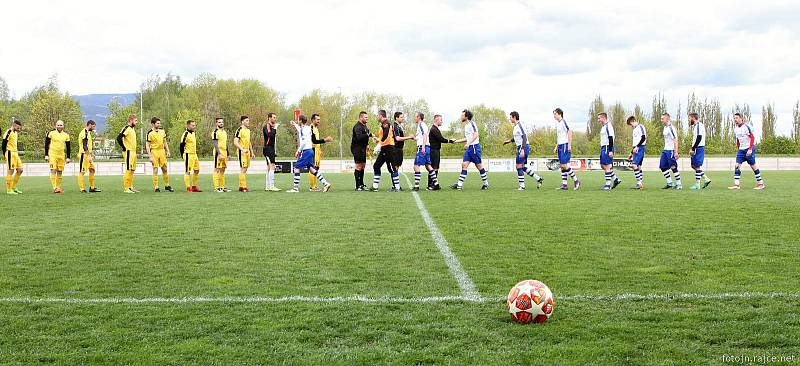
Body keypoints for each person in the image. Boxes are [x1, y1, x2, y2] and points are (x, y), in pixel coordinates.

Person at [287, 115, 331, 193]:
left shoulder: (304, 129)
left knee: (296, 168)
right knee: (312, 169)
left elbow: (304, 141)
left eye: (298, 120)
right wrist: (294, 124)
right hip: (310, 150)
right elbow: (299, 130)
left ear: (300, 121)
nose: (297, 121)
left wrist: (298, 150)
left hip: (306, 151)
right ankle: (325, 183)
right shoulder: (306, 128)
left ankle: (295, 188)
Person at [503, 111, 543, 190]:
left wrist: (522, 149)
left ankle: (522, 186)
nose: (509, 119)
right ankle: (538, 178)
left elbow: (524, 137)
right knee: (522, 166)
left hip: (523, 147)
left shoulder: (519, 125)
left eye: (510, 117)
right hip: (521, 147)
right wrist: (509, 141)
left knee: (518, 166)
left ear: (514, 117)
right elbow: (517, 138)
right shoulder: (516, 126)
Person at [451, 109, 489, 190]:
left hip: (474, 147)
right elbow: (467, 138)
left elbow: (475, 135)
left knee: (479, 166)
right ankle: (459, 185)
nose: (461, 117)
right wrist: (456, 141)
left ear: (466, 116)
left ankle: (486, 184)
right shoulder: (466, 126)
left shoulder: (472, 124)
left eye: (462, 115)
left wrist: (468, 144)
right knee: (464, 165)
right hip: (469, 149)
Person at [729, 113, 765, 190]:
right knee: (737, 166)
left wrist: (750, 149)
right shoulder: (736, 129)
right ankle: (736, 184)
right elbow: (738, 140)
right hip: (741, 150)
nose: (735, 119)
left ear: (741, 118)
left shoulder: (746, 127)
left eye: (737, 118)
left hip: (749, 148)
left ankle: (761, 183)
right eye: (734, 118)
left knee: (753, 166)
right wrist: (738, 149)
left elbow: (752, 137)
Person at [371, 110, 400, 191]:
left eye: (377, 115)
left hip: (389, 148)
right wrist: (378, 140)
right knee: (376, 166)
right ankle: (375, 187)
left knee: (392, 168)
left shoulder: (385, 123)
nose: (377, 117)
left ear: (381, 116)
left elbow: (386, 134)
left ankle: (397, 187)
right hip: (384, 148)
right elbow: (384, 137)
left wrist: (379, 143)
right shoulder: (384, 123)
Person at [552, 108, 580, 190]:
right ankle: (564, 185)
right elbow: (560, 136)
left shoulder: (564, 122)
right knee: (562, 166)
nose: (554, 116)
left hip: (565, 145)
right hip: (560, 145)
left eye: (554, 114)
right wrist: (556, 146)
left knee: (564, 165)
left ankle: (576, 180)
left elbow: (569, 132)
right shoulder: (558, 124)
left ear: (559, 114)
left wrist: (569, 145)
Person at [411, 112, 439, 191]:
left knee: (416, 166)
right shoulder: (422, 125)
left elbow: (425, 135)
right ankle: (436, 184)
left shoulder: (421, 124)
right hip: (427, 147)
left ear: (419, 117)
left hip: (422, 147)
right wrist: (413, 138)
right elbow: (420, 136)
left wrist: (423, 147)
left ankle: (416, 186)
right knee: (428, 166)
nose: (414, 118)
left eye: (415, 116)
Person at [350, 111, 377, 191]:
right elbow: (359, 137)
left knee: (363, 165)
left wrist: (367, 144)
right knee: (358, 166)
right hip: (356, 148)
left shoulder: (365, 126)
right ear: (361, 117)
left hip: (363, 148)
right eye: (365, 117)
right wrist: (369, 135)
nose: (367, 118)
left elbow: (366, 137)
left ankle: (361, 184)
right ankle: (358, 186)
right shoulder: (357, 126)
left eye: (367, 117)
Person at [146, 117, 173, 192]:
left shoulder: (162, 131)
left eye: (159, 123)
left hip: (162, 151)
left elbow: (165, 142)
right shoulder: (149, 133)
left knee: (164, 168)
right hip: (154, 152)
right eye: (157, 123)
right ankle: (156, 187)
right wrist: (150, 156)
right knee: (155, 169)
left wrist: (168, 151)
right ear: (153, 124)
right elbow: (147, 145)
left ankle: (167, 185)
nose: (159, 124)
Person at [427, 114, 454, 190]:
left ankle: (431, 185)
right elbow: (441, 139)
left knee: (435, 167)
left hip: (436, 150)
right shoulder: (433, 129)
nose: (442, 121)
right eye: (441, 120)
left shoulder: (435, 129)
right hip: (434, 151)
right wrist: (450, 141)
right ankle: (432, 185)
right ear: (436, 120)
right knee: (434, 168)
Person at [308, 113, 333, 191]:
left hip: (317, 150)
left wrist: (319, 149)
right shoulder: (311, 127)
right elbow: (314, 141)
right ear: (313, 120)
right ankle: (312, 187)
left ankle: (314, 186)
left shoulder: (315, 128)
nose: (319, 121)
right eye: (317, 119)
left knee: (316, 168)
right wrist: (325, 140)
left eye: (319, 119)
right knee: (313, 168)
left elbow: (316, 141)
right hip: (312, 150)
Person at [45, 120, 71, 193]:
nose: (59, 126)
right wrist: (46, 155)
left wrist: (68, 157)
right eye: (58, 125)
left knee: (60, 171)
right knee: (53, 170)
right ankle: (54, 188)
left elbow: (68, 147)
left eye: (61, 125)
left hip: (61, 155)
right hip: (52, 154)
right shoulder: (51, 133)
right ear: (55, 126)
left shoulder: (66, 135)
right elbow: (46, 144)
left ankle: (58, 187)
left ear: (63, 126)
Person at [597, 113, 621, 190]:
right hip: (603, 147)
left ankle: (607, 185)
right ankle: (615, 179)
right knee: (603, 165)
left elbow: (610, 138)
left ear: (604, 118)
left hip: (607, 147)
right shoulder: (604, 127)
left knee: (607, 166)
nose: (598, 120)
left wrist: (610, 150)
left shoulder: (608, 126)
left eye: (599, 118)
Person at [688, 112, 711, 190]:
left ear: (693, 118)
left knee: (697, 166)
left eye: (690, 118)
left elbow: (699, 137)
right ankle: (706, 178)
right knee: (693, 166)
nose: (689, 119)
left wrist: (693, 148)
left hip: (698, 148)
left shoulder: (698, 126)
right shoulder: (695, 126)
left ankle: (697, 185)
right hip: (696, 147)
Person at [116, 114, 139, 193]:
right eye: (135, 120)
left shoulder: (132, 129)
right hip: (128, 151)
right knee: (128, 169)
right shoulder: (127, 128)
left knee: (132, 170)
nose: (137, 122)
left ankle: (130, 187)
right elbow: (118, 138)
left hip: (133, 152)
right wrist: (124, 147)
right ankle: (126, 188)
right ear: (131, 120)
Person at [77, 120, 101, 193]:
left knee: (92, 169)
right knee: (82, 171)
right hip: (84, 155)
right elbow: (84, 146)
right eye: (93, 126)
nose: (94, 128)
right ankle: (82, 189)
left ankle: (92, 187)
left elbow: (88, 145)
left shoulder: (88, 133)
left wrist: (91, 153)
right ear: (90, 125)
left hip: (88, 154)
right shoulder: (84, 133)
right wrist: (88, 155)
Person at [391, 111, 414, 189]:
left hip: (399, 149)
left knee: (396, 167)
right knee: (395, 167)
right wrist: (409, 137)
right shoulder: (395, 126)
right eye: (401, 117)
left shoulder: (399, 126)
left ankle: (395, 186)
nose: (403, 118)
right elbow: (397, 138)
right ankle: (396, 187)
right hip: (395, 149)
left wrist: (411, 138)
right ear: (396, 117)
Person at [659, 113, 682, 190]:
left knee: (673, 166)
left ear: (667, 119)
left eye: (662, 119)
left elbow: (675, 140)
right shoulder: (665, 127)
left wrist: (676, 152)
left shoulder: (671, 128)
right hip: (665, 150)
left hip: (671, 150)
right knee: (662, 166)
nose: (661, 120)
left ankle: (679, 184)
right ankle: (670, 183)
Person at [234, 115, 255, 192]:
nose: (248, 122)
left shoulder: (248, 131)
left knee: (245, 168)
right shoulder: (239, 130)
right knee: (243, 168)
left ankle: (241, 186)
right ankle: (243, 186)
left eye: (248, 120)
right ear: (242, 121)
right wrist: (242, 149)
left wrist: (252, 152)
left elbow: (249, 142)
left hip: (247, 152)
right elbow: (235, 142)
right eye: (246, 120)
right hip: (241, 151)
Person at [180, 120, 203, 192]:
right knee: (187, 171)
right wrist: (182, 155)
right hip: (188, 154)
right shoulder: (185, 134)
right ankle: (188, 187)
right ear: (188, 126)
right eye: (193, 125)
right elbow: (181, 145)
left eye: (195, 125)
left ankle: (194, 186)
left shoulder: (193, 133)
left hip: (194, 154)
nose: (194, 126)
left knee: (197, 170)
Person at [3, 120, 23, 195]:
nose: (19, 129)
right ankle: (9, 190)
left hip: (15, 153)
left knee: (20, 170)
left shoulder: (15, 133)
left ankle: (14, 187)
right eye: (18, 128)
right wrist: (4, 153)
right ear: (14, 125)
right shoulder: (8, 132)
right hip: (10, 153)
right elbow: (4, 143)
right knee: (10, 171)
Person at [626, 116, 647, 190]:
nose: (631, 126)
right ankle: (640, 183)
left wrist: (637, 147)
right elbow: (635, 143)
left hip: (640, 148)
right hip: (636, 148)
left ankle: (639, 183)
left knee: (634, 165)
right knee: (638, 166)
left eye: (630, 125)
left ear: (632, 121)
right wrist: (631, 153)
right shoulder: (635, 130)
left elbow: (643, 137)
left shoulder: (640, 127)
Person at [263, 112, 281, 192]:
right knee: (272, 166)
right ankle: (272, 186)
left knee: (269, 167)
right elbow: (269, 135)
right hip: (268, 149)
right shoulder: (267, 126)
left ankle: (267, 186)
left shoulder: (271, 126)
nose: (275, 119)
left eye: (275, 117)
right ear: (269, 118)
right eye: (273, 117)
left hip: (270, 148)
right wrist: (275, 128)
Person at [212, 117, 230, 193]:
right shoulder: (215, 132)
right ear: (216, 123)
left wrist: (228, 153)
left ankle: (222, 187)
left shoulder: (224, 132)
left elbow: (225, 143)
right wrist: (219, 153)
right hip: (218, 152)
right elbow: (215, 143)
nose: (221, 123)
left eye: (222, 122)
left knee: (223, 169)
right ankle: (216, 188)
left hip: (224, 152)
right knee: (217, 169)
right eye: (219, 122)